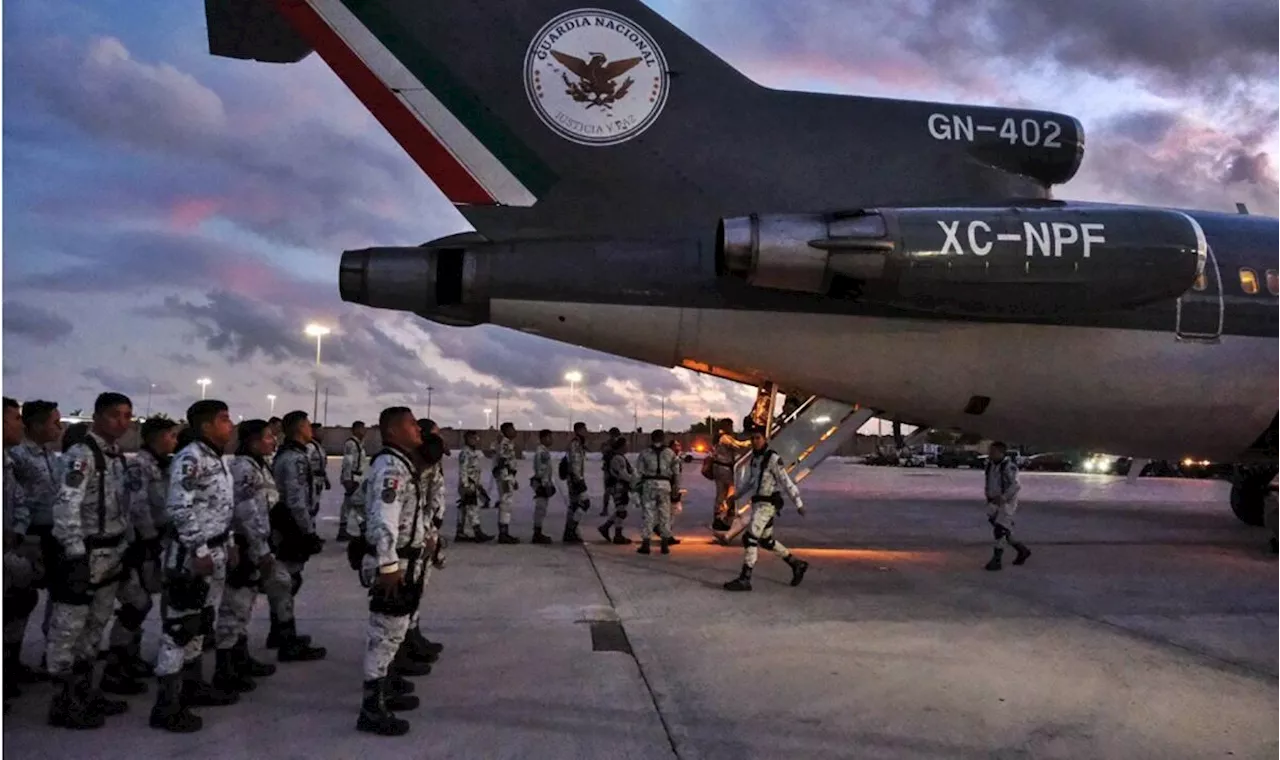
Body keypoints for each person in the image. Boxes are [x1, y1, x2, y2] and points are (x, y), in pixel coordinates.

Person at [43, 393, 133, 729]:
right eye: (114, 415)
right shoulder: (83, 454)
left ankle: (84, 691)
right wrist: (74, 554)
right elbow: (67, 506)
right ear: (96, 417)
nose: (121, 422)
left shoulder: (114, 456)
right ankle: (63, 701)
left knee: (95, 627)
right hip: (86, 554)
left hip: (110, 555)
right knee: (68, 629)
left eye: (127, 416)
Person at [150, 399, 240, 732]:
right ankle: (166, 704)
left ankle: (192, 686)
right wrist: (200, 549)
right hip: (191, 556)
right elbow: (179, 508)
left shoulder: (216, 458)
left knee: (202, 623)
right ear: (206, 426)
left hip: (213, 552)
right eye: (224, 420)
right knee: (179, 628)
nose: (230, 425)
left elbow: (219, 507)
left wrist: (227, 543)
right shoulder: (191, 458)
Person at [356, 406, 428, 736]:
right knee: (383, 635)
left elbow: (360, 502)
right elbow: (383, 517)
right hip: (392, 562)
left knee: (393, 632)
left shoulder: (399, 464)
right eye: (413, 425)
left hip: (401, 559)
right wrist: (388, 564)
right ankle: (371, 709)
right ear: (394, 431)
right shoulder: (390, 468)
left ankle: (387, 689)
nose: (419, 431)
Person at [100, 416, 179, 695]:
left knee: (142, 601)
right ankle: (116, 664)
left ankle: (128, 657)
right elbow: (138, 506)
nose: (175, 440)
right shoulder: (139, 465)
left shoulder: (162, 465)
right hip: (138, 543)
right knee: (136, 602)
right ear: (156, 437)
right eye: (170, 435)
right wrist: (148, 540)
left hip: (153, 542)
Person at [211, 419, 280, 695]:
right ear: (252, 441)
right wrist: (260, 549)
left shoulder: (257, 465)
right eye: (267, 437)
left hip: (255, 542)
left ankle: (240, 657)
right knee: (233, 606)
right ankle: (224, 668)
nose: (272, 441)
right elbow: (246, 512)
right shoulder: (243, 468)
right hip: (245, 543)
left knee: (245, 603)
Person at [6, 399, 62, 686]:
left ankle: (48, 654)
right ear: (36, 425)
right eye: (54, 422)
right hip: (26, 536)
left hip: (50, 535)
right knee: (18, 598)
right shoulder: (16, 457)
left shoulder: (52, 457)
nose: (59, 427)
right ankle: (9, 664)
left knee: (48, 597)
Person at [723, 430, 809, 592]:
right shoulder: (755, 458)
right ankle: (796, 564)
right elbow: (751, 482)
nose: (755, 441)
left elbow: (786, 481)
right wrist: (736, 496)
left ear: (765, 439)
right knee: (766, 540)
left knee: (750, 538)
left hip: (767, 506)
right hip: (758, 504)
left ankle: (745, 578)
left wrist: (798, 503)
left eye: (758, 438)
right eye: (752, 438)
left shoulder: (773, 459)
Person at [268, 411, 325, 650]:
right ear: (300, 428)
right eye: (308, 425)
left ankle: (279, 632)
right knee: (288, 581)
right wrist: (307, 531)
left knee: (287, 580)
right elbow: (296, 499)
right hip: (289, 527)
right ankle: (285, 637)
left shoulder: (291, 454)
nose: (311, 429)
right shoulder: (295, 459)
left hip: (286, 524)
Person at [3, 396, 40, 710]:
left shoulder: (9, 462)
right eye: (15, 418)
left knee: (19, 601)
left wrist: (15, 530)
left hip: (11, 547)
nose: (20, 424)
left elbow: (22, 501)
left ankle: (9, 666)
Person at [983, 441, 1030, 571]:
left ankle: (996, 560)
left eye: (993, 452)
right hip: (993, 502)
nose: (990, 454)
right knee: (1005, 531)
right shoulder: (990, 465)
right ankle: (1022, 550)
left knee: (1000, 530)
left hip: (1006, 503)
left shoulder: (1009, 467)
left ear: (1001, 453)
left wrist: (1004, 498)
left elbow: (1015, 485)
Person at [634, 430, 678, 555]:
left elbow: (638, 472)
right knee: (665, 514)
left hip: (649, 484)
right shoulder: (670, 453)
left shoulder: (645, 453)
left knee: (648, 513)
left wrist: (634, 487)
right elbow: (676, 472)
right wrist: (676, 487)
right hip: (665, 485)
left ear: (651, 439)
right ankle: (665, 544)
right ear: (663, 438)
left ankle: (646, 544)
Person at [710, 420, 752, 531]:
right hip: (724, 468)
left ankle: (720, 515)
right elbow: (738, 446)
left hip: (720, 468)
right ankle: (722, 515)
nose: (732, 427)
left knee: (722, 493)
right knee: (729, 492)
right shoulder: (725, 438)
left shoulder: (721, 437)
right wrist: (751, 442)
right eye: (731, 425)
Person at [597, 436, 635, 545]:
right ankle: (616, 534)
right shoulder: (618, 458)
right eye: (626, 445)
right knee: (621, 511)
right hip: (618, 487)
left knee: (621, 510)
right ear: (622, 446)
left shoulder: (618, 457)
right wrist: (633, 480)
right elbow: (622, 474)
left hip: (618, 486)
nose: (628, 447)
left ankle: (607, 528)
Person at [455, 431, 492, 542]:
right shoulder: (465, 453)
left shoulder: (472, 452)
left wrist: (479, 485)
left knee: (464, 508)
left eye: (476, 438)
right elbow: (463, 470)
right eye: (473, 438)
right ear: (467, 439)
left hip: (473, 484)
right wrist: (465, 485)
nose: (475, 440)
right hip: (468, 485)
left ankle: (460, 532)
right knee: (472, 507)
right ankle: (477, 532)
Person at [337, 421, 368, 542]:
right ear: (355, 430)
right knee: (356, 504)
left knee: (351, 504)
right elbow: (347, 462)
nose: (364, 431)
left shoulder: (359, 444)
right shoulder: (351, 444)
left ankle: (344, 529)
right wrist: (348, 479)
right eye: (362, 429)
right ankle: (361, 529)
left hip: (357, 477)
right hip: (352, 477)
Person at [562, 422, 590, 544]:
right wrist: (578, 479)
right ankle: (571, 530)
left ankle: (569, 532)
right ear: (579, 430)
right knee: (584, 503)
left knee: (574, 505)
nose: (587, 431)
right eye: (584, 429)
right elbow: (574, 463)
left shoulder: (579, 443)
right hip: (575, 479)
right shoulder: (575, 444)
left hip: (575, 478)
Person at [493, 422, 520, 544]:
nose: (515, 431)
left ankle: (504, 533)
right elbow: (502, 460)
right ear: (506, 431)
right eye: (512, 429)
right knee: (506, 504)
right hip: (505, 476)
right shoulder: (505, 443)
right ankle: (503, 534)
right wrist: (506, 478)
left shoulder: (507, 443)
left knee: (506, 503)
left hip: (507, 476)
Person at [530, 429, 556, 544]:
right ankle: (537, 533)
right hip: (541, 483)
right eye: (549, 437)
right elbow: (542, 470)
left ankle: (538, 532)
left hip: (541, 482)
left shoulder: (543, 451)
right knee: (540, 509)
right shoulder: (543, 452)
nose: (551, 440)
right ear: (544, 438)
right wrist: (546, 485)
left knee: (542, 509)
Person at [306, 422, 331, 521]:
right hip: (312, 481)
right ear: (314, 432)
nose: (322, 433)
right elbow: (305, 462)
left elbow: (321, 465)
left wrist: (326, 480)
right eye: (320, 431)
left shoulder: (318, 446)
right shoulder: (310, 446)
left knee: (315, 505)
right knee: (311, 507)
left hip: (319, 481)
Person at [600, 427, 622, 516]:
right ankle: (607, 509)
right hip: (610, 470)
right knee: (610, 491)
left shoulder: (609, 444)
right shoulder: (609, 444)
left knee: (613, 490)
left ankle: (611, 509)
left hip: (613, 470)